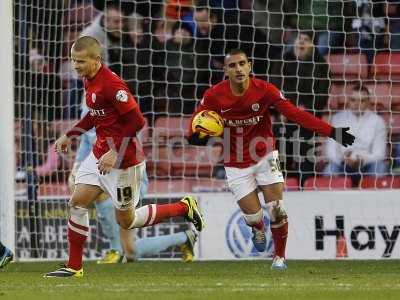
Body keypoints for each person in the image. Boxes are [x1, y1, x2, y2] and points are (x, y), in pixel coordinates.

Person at [44, 36, 204, 278]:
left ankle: (183, 207)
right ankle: (74, 267)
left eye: (80, 61)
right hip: (99, 155)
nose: (75, 66)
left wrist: (115, 152)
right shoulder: (88, 80)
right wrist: (70, 134)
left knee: (127, 221)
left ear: (97, 60)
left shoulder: (112, 85)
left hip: (125, 162)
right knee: (76, 203)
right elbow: (95, 116)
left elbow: (137, 121)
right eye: (73, 61)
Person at [188, 49, 355, 270]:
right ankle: (257, 228)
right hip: (235, 163)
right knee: (254, 216)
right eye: (232, 65)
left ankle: (280, 257)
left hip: (265, 155)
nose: (238, 69)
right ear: (225, 70)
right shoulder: (213, 95)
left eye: (242, 63)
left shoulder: (265, 90)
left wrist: (332, 131)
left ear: (249, 66)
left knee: (277, 208)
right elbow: (195, 125)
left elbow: (295, 114)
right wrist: (195, 137)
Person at [68, 109, 198, 263]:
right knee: (131, 251)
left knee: (98, 187)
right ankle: (184, 238)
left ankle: (115, 250)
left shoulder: (116, 109)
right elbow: (84, 148)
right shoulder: (88, 114)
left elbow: (131, 139)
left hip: (130, 175)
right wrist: (75, 170)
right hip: (108, 176)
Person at [271, 31, 330, 185]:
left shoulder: (321, 65)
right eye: (299, 39)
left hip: (308, 119)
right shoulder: (282, 61)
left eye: (306, 40)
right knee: (279, 143)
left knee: (306, 145)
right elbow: (275, 88)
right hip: (285, 116)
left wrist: (306, 110)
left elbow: (322, 96)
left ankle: (306, 184)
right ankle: (278, 184)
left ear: (312, 44)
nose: (301, 43)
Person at [324, 84, 387, 186]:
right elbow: (331, 150)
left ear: (368, 102)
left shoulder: (377, 121)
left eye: (362, 100)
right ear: (348, 101)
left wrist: (361, 159)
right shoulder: (338, 119)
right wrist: (342, 159)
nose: (357, 104)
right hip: (342, 164)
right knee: (330, 169)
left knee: (380, 167)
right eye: (353, 100)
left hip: (367, 165)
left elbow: (380, 154)